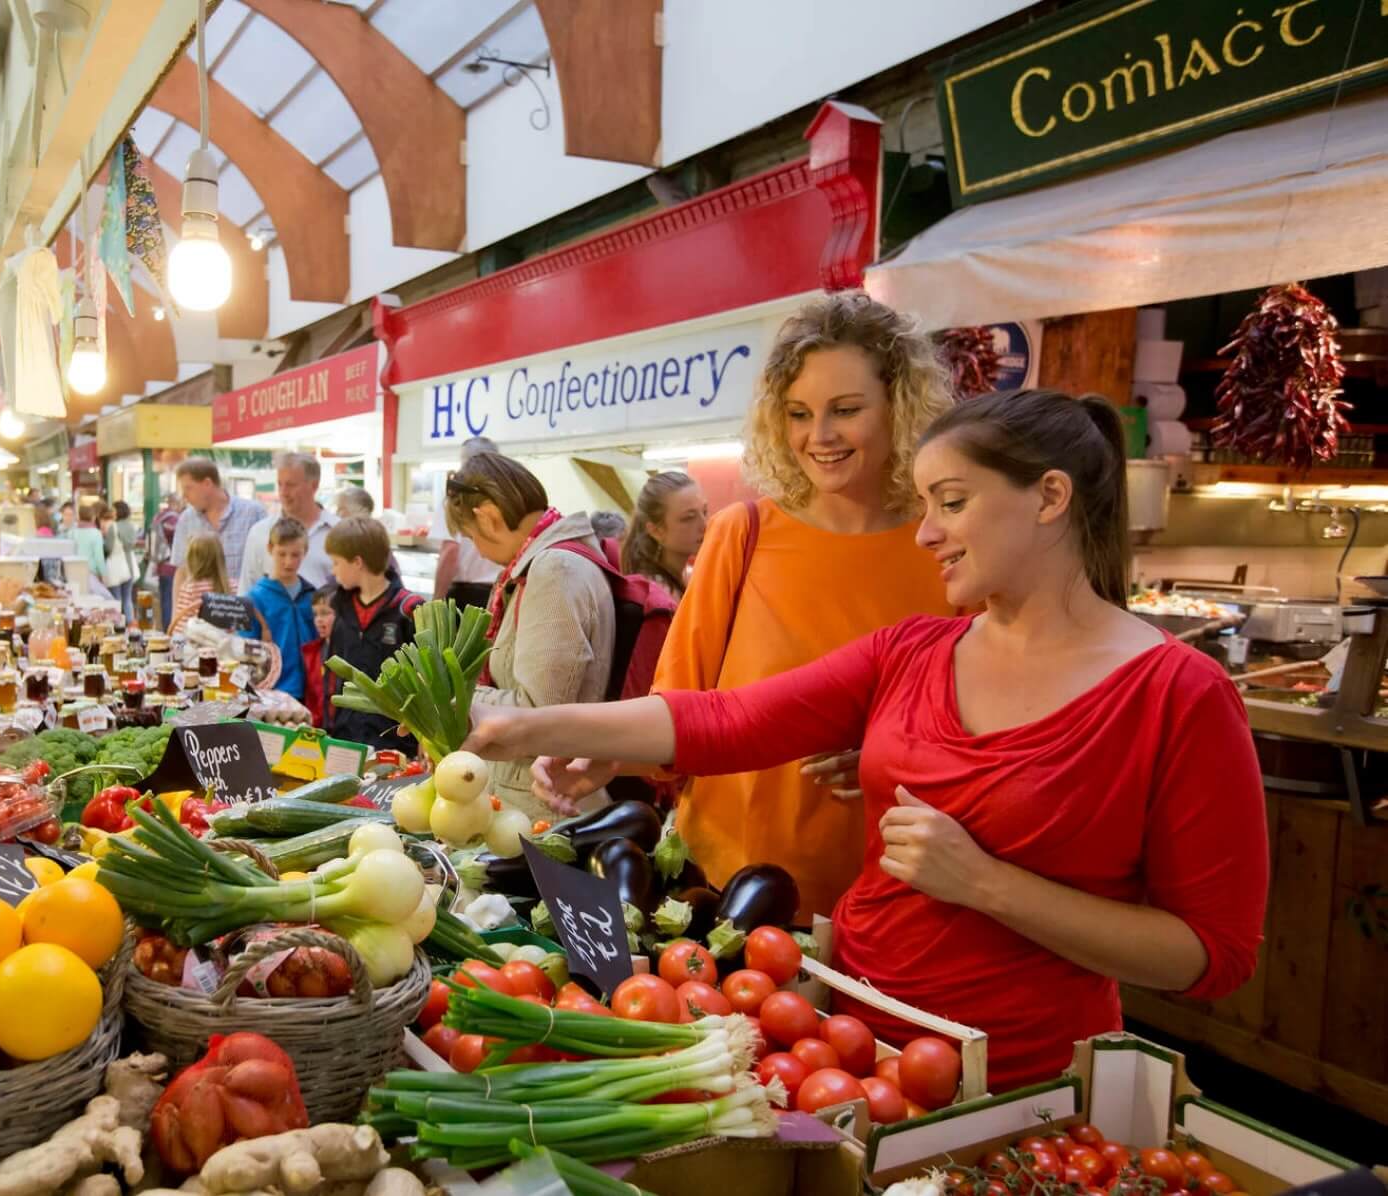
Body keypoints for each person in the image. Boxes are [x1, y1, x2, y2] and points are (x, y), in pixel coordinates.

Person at [463, 388, 1268, 1093]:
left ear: (1049, 497)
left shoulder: (1179, 695)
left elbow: (1211, 955)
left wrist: (986, 883)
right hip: (843, 1037)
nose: (925, 534)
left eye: (951, 502)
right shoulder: (911, 650)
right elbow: (729, 717)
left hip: (1022, 1077)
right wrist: (524, 725)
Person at [650, 291, 958, 918]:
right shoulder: (744, 533)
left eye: (845, 410)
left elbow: (977, 732)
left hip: (887, 899)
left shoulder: (947, 549)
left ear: (898, 408)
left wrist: (893, 753)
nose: (818, 437)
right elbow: (675, 708)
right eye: (797, 413)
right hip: (722, 881)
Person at [448, 452, 614, 816]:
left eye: (472, 536)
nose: (477, 549)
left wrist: (449, 700)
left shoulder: (554, 570)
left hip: (540, 808)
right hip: (526, 802)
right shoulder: (542, 565)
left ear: (488, 517)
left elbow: (540, 713)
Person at [323, 518, 423, 756]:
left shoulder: (408, 610)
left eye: (336, 562)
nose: (332, 570)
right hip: (345, 737)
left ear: (357, 562)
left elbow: (423, 682)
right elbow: (332, 675)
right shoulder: (340, 607)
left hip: (394, 742)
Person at [171, 458, 265, 610]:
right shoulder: (187, 519)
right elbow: (182, 570)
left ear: (207, 484)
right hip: (197, 621)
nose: (184, 496)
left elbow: (265, 567)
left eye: (188, 488)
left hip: (245, 615)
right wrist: (176, 615)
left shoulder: (253, 513)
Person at [238, 453, 337, 594]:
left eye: (291, 485)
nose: (283, 492)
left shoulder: (338, 531)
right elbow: (246, 590)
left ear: (314, 485)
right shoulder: (260, 532)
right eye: (280, 484)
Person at [244, 518, 317, 700]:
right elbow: (245, 651)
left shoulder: (312, 596)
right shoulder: (255, 599)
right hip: (272, 694)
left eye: (295, 555)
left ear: (305, 552)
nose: (288, 562)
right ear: (270, 548)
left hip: (312, 693)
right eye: (282, 554)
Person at [432, 436, 505, 608]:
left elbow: (450, 551)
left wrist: (436, 600)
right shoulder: (506, 496)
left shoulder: (457, 496)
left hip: (468, 596)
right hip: (502, 592)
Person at [619, 471, 708, 600]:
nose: (705, 525)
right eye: (688, 518)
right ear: (656, 531)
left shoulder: (689, 575)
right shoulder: (658, 595)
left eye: (705, 511)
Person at [170, 531, 230, 636]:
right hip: (226, 649)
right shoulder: (232, 586)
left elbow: (179, 630)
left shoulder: (190, 589)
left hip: (195, 650)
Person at [301, 585, 337, 725]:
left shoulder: (352, 653)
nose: (318, 619)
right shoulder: (311, 653)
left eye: (325, 613)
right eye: (315, 614)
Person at [101, 501, 139, 617]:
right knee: (127, 599)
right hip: (130, 565)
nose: (112, 512)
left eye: (114, 510)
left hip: (116, 566)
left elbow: (109, 548)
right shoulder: (132, 526)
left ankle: (118, 625)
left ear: (118, 511)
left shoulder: (114, 527)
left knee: (116, 599)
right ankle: (130, 623)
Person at [152, 494, 182, 629]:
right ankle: (169, 629)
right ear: (176, 503)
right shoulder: (174, 519)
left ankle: (163, 627)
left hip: (160, 564)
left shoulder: (158, 517)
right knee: (170, 600)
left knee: (163, 599)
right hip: (171, 565)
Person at [67, 498, 107, 583]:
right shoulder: (96, 533)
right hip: (91, 572)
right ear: (93, 517)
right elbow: (99, 556)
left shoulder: (71, 532)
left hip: (74, 571)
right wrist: (103, 574)